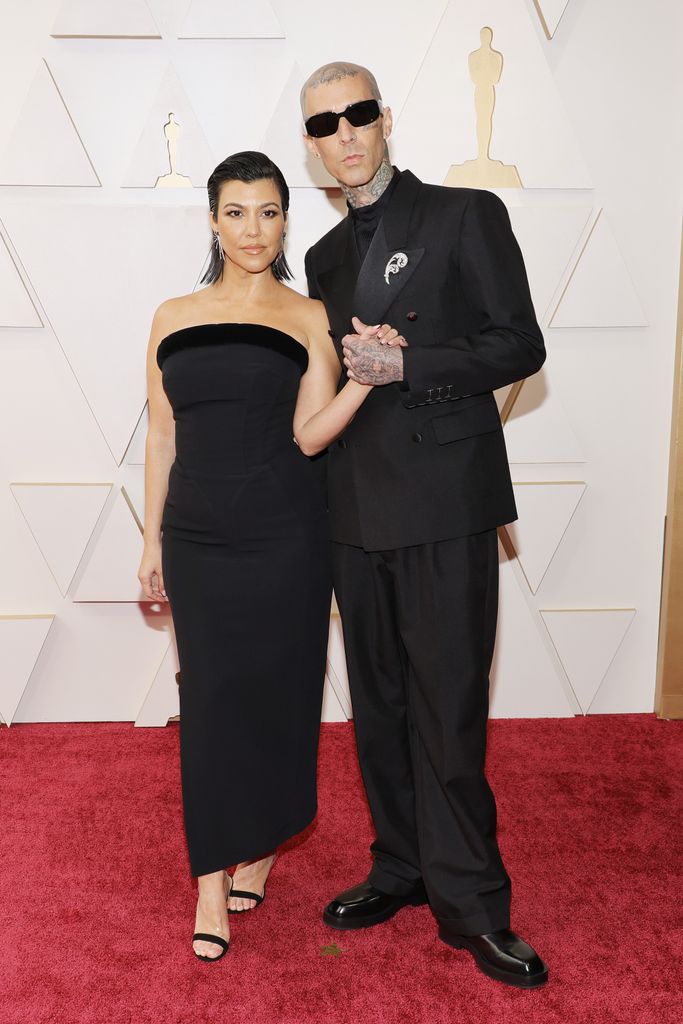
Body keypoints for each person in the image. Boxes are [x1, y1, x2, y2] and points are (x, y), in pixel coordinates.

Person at [301, 63, 549, 988]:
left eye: (358, 113)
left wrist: (411, 366)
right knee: (379, 708)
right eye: (325, 123)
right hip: (352, 509)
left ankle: (474, 904)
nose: (346, 133)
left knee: (447, 708)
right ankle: (401, 866)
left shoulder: (461, 214)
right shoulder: (323, 260)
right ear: (314, 145)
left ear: (385, 119)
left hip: (443, 501)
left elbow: (518, 343)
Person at [137, 150, 373, 962]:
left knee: (278, 692)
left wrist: (363, 381)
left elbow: (309, 434)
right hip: (197, 535)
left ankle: (266, 841)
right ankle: (211, 877)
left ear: (284, 220)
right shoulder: (171, 314)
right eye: (236, 212)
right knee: (209, 698)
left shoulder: (308, 315)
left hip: (286, 531)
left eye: (268, 212)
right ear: (211, 219)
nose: (252, 229)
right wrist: (148, 539)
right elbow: (162, 435)